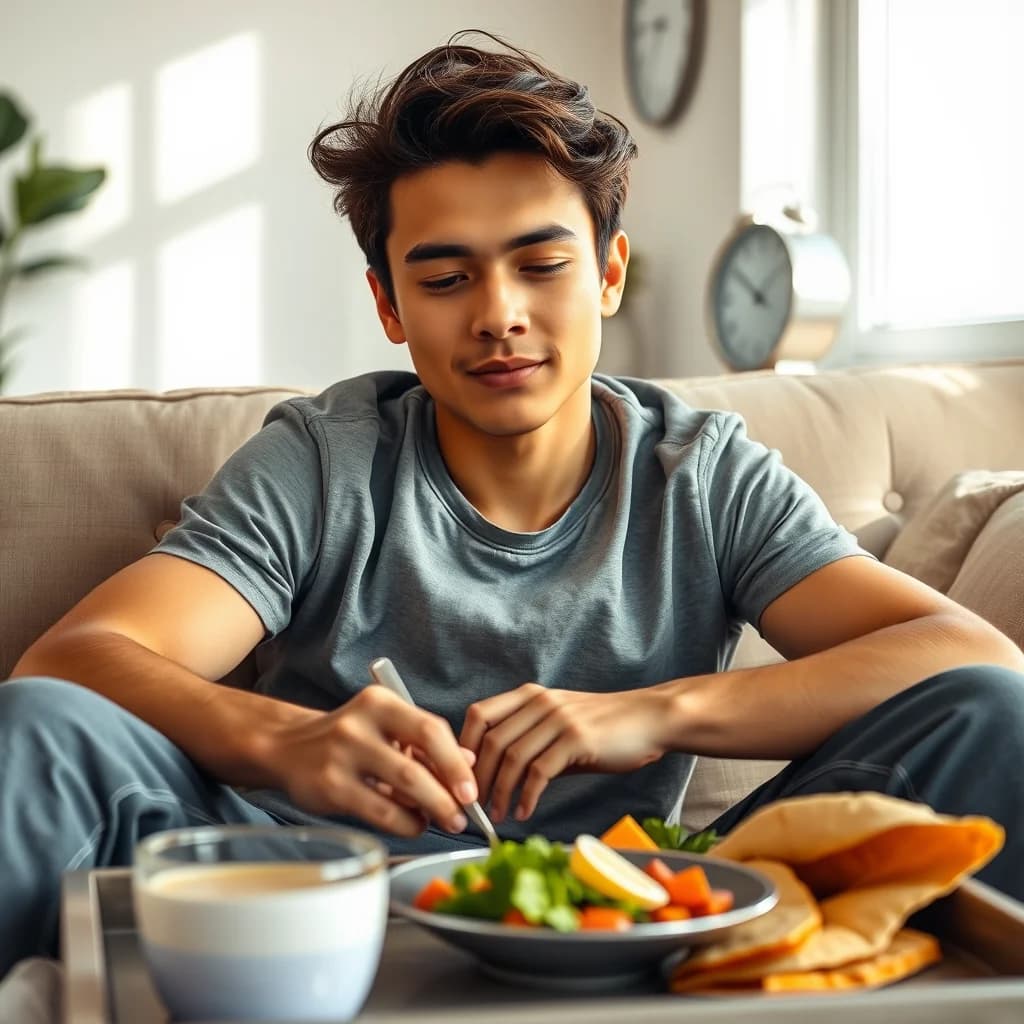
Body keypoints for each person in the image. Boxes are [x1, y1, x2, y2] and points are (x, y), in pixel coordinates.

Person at [2, 31, 1023, 977]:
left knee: (990, 715)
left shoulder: (698, 471)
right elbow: (72, 662)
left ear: (609, 273)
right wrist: (281, 741)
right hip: (315, 904)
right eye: (445, 278)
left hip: (642, 907)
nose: (500, 315)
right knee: (41, 729)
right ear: (389, 306)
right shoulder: (322, 458)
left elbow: (968, 655)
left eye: (541, 266)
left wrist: (653, 715)